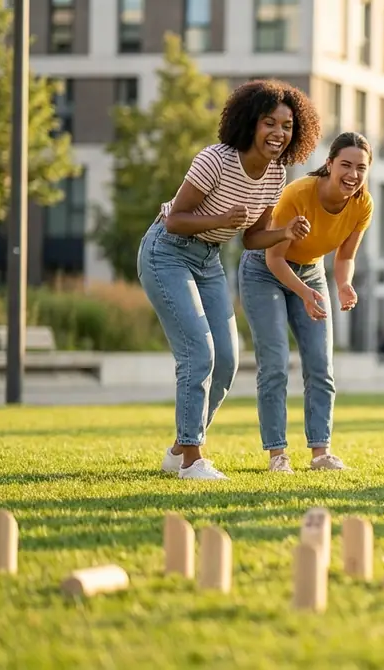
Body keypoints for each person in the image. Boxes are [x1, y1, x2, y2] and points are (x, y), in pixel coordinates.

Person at [139, 79, 321, 481]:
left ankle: (179, 448)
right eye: (269, 123)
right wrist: (219, 220)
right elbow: (175, 220)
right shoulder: (216, 160)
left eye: (287, 126)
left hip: (208, 260)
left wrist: (285, 233)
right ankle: (192, 461)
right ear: (250, 123)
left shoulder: (276, 174)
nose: (278, 133)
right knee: (198, 353)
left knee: (227, 360)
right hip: (166, 252)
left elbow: (253, 237)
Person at [238, 132, 374, 474]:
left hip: (311, 272)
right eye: (345, 164)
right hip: (264, 270)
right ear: (329, 165)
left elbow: (345, 257)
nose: (353, 174)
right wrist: (304, 293)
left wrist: (343, 285)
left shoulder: (362, 204)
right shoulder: (298, 194)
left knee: (320, 366)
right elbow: (274, 259)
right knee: (275, 364)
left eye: (361, 167)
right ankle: (277, 455)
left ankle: (320, 453)